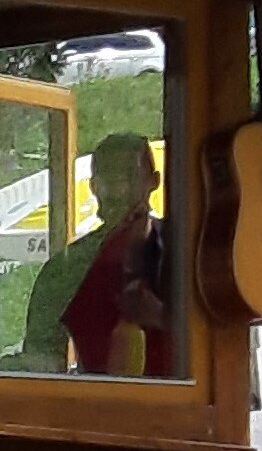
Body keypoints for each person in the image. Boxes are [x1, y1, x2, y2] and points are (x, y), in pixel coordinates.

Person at [18, 134, 172, 376]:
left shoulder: (183, 252)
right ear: (93, 186)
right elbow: (41, 361)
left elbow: (217, 342)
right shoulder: (67, 268)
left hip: (177, 407)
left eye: (130, 177)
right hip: (98, 406)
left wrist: (162, 318)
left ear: (153, 182)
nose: (119, 190)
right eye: (109, 177)